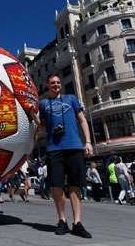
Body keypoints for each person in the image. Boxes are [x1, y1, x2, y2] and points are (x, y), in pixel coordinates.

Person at [37, 74, 92, 238]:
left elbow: (82, 120)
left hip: (74, 146)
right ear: (47, 85)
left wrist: (88, 142)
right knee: (57, 186)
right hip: (54, 149)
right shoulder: (43, 104)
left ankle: (77, 223)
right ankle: (62, 220)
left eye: (58, 82)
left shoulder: (71, 99)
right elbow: (42, 126)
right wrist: (32, 114)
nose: (56, 84)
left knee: (75, 185)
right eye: (52, 82)